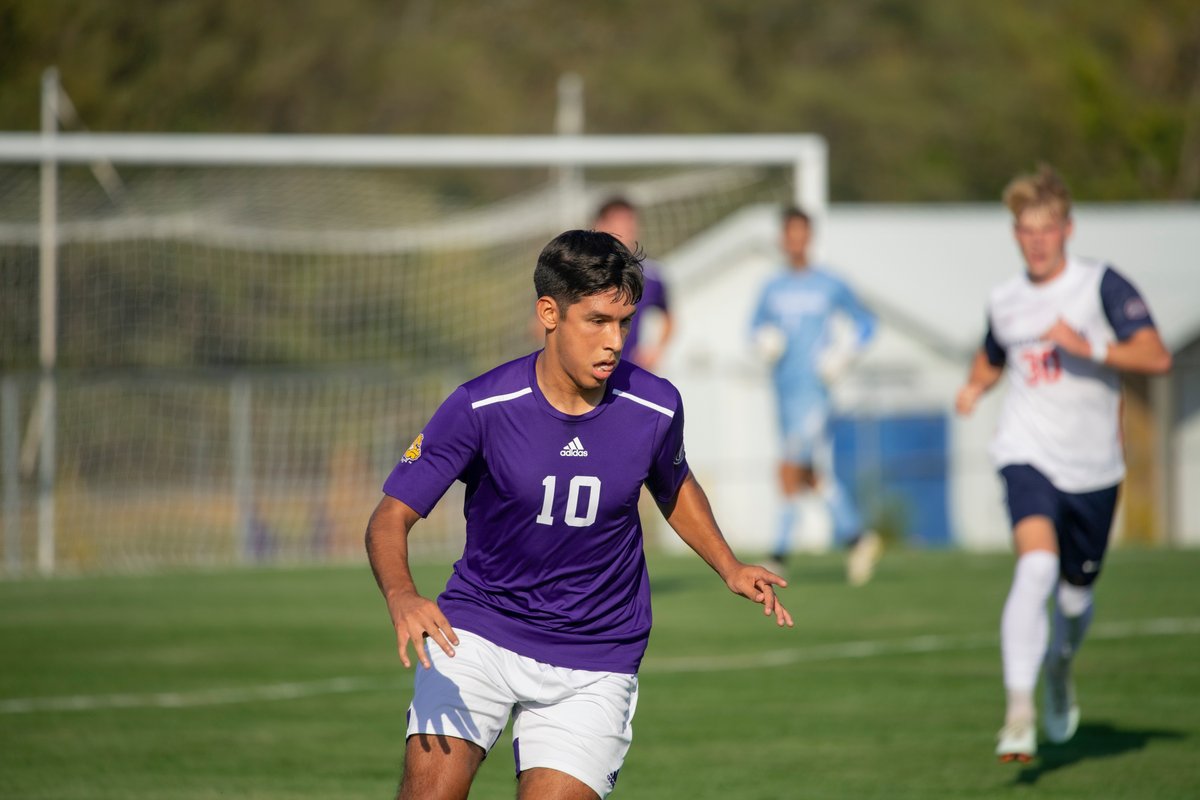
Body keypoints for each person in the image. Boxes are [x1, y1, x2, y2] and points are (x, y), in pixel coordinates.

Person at [366, 229, 792, 800]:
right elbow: (389, 518)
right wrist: (402, 596)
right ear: (549, 313)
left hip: (596, 654)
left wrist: (730, 566)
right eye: (596, 321)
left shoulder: (655, 406)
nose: (615, 341)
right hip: (477, 632)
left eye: (623, 322)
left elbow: (674, 483)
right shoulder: (480, 407)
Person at [955, 164, 1171, 763]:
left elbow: (1155, 356)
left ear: (1067, 229)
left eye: (1047, 228)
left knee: (1075, 600)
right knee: (1036, 569)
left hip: (1095, 470)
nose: (1037, 240)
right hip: (1026, 455)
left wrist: (1090, 346)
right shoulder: (1005, 299)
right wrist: (973, 388)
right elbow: (991, 356)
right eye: (1026, 230)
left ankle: (1059, 668)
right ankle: (1019, 712)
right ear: (1015, 234)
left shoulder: (1101, 286)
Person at [749, 206, 881, 586]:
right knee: (807, 474)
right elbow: (754, 328)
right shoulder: (771, 287)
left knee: (789, 470)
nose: (795, 241)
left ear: (810, 237)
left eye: (801, 233)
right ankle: (858, 538)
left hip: (816, 394)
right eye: (789, 233)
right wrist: (764, 341)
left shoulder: (830, 283)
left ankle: (778, 554)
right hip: (784, 392)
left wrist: (843, 354)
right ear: (782, 238)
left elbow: (867, 324)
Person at [592, 197, 673, 371]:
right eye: (617, 225)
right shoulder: (577, 271)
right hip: (587, 371)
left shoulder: (651, 275)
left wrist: (655, 350)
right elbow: (540, 325)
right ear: (599, 226)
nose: (625, 231)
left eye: (629, 224)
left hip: (629, 372)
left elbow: (669, 319)